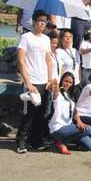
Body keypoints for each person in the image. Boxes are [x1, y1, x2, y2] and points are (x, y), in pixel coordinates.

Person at [16, 10, 53, 153]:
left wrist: (49, 79)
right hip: (31, 81)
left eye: (45, 22)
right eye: (40, 21)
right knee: (28, 114)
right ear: (33, 22)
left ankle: (36, 141)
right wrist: (28, 82)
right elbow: (20, 61)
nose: (42, 24)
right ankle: (21, 141)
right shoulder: (26, 37)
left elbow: (49, 60)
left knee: (41, 114)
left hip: (44, 81)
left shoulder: (46, 39)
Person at [49, 72, 91, 155]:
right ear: (62, 81)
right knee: (89, 129)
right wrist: (55, 88)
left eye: (70, 82)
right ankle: (62, 142)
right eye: (66, 81)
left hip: (69, 126)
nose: (68, 84)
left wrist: (79, 122)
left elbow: (75, 111)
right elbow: (55, 93)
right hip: (58, 127)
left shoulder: (69, 95)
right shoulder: (58, 93)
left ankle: (64, 140)